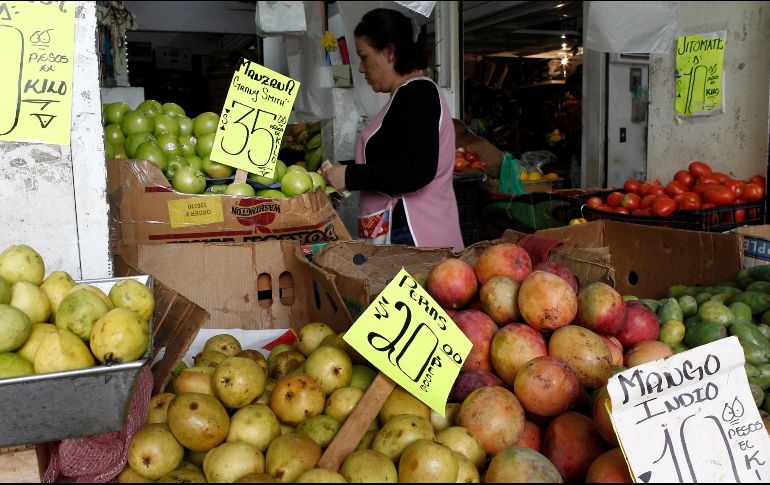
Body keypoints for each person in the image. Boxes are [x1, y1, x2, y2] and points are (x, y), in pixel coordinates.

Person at [322, 8, 464, 252]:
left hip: (416, 237)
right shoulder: (407, 96)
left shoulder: (417, 94)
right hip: (407, 234)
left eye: (364, 57)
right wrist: (343, 170)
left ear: (389, 52)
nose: (361, 69)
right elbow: (393, 158)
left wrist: (350, 176)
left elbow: (416, 169)